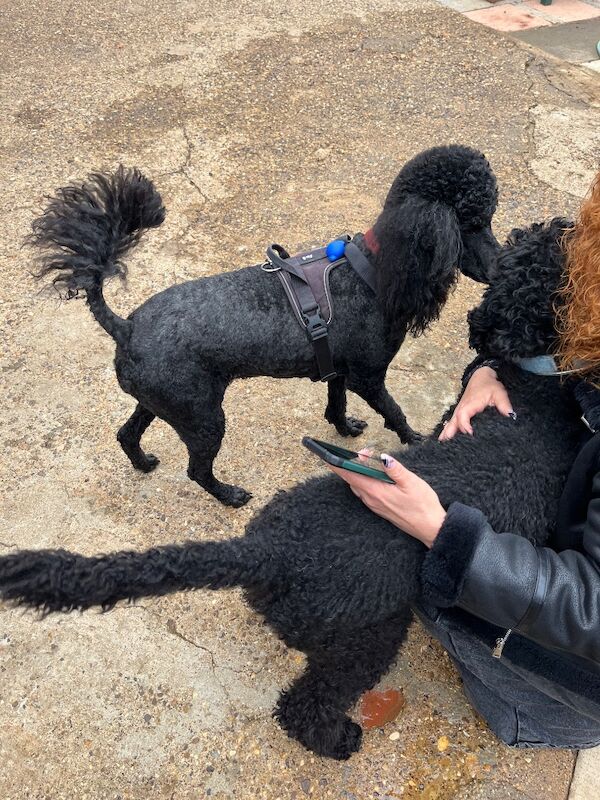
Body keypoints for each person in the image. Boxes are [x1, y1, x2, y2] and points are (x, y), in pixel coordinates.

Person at [327, 183, 600, 748]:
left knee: (421, 567)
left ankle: (531, 719)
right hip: (570, 499)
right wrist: (488, 370)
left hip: (582, 667)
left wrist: (445, 534)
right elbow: (517, 320)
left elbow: (591, 610)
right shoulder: (579, 256)